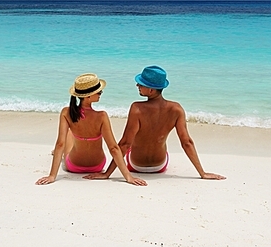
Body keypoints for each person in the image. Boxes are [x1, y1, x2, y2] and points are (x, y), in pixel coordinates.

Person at [85, 65, 226, 180]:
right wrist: (203, 173)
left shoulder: (137, 108)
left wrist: (107, 174)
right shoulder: (176, 109)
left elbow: (124, 144)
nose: (137, 85)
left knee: (131, 145)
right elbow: (187, 142)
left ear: (151, 90)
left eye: (140, 84)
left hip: (136, 165)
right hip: (160, 166)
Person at [35, 72, 147, 186]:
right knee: (71, 135)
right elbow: (113, 148)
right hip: (97, 166)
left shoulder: (66, 112)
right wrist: (128, 177)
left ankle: (59, 154)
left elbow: (60, 144)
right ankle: (60, 153)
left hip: (73, 166)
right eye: (99, 92)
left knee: (69, 134)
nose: (101, 93)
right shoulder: (102, 116)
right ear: (88, 96)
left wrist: (52, 176)